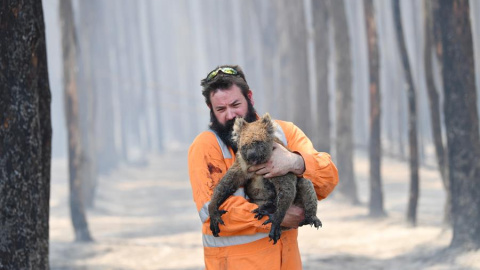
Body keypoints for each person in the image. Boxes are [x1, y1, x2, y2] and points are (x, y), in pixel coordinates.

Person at [188, 65, 339, 269]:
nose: (231, 115)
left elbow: (328, 178)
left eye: (235, 104)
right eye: (221, 109)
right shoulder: (206, 146)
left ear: (249, 97)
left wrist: (296, 162)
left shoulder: (284, 132)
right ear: (211, 110)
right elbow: (210, 210)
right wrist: (276, 217)